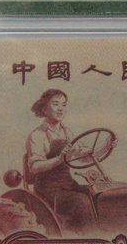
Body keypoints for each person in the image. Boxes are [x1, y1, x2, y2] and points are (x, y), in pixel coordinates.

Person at [25, 89, 97, 230]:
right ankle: (89, 237)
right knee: (81, 201)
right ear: (44, 109)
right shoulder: (37, 135)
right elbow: (35, 167)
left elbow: (83, 158)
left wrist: (105, 147)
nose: (60, 109)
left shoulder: (67, 132)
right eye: (55, 104)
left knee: (96, 194)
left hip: (68, 185)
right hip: (48, 190)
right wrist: (59, 159)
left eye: (64, 105)